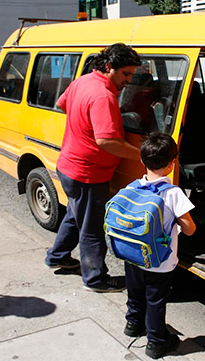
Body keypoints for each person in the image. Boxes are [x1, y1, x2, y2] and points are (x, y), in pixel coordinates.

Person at [44, 43, 142, 292]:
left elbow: (62, 104)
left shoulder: (84, 81)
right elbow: (106, 141)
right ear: (109, 67)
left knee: (75, 216)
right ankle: (95, 279)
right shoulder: (103, 95)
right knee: (92, 229)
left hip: (70, 166)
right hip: (87, 174)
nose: (129, 81)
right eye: (126, 74)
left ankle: (56, 257)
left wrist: (83, 123)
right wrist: (142, 155)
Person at [122, 133, 196, 359]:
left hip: (133, 255)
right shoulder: (173, 193)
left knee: (135, 292)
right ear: (173, 163)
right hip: (160, 261)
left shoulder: (132, 186)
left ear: (142, 161)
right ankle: (156, 342)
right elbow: (190, 228)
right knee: (155, 300)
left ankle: (133, 324)